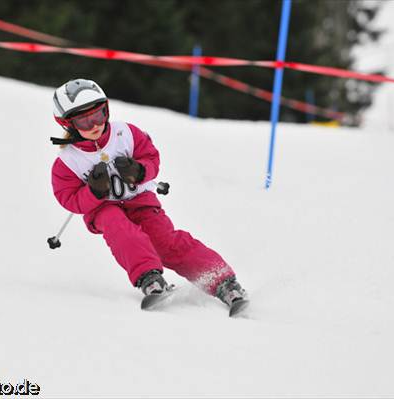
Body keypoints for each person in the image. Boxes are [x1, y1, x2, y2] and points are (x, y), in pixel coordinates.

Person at [50, 78, 248, 313]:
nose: (94, 125)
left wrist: (139, 170)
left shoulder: (126, 134)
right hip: (103, 208)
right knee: (120, 229)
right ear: (67, 124)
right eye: (84, 121)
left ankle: (223, 282)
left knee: (165, 241)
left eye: (99, 115)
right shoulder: (67, 162)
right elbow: (69, 199)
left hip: (140, 201)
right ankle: (150, 279)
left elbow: (151, 157)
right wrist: (93, 192)